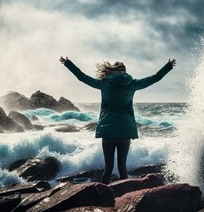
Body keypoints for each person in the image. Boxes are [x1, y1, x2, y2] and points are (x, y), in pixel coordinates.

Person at [60, 56, 176, 184]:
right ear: (125, 71)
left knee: (108, 169)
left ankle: (101, 197)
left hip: (108, 130)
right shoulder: (133, 84)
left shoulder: (104, 83)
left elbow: (82, 77)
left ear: (112, 71)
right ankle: (123, 195)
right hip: (125, 130)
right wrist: (168, 66)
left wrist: (67, 63)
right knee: (122, 168)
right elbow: (156, 77)